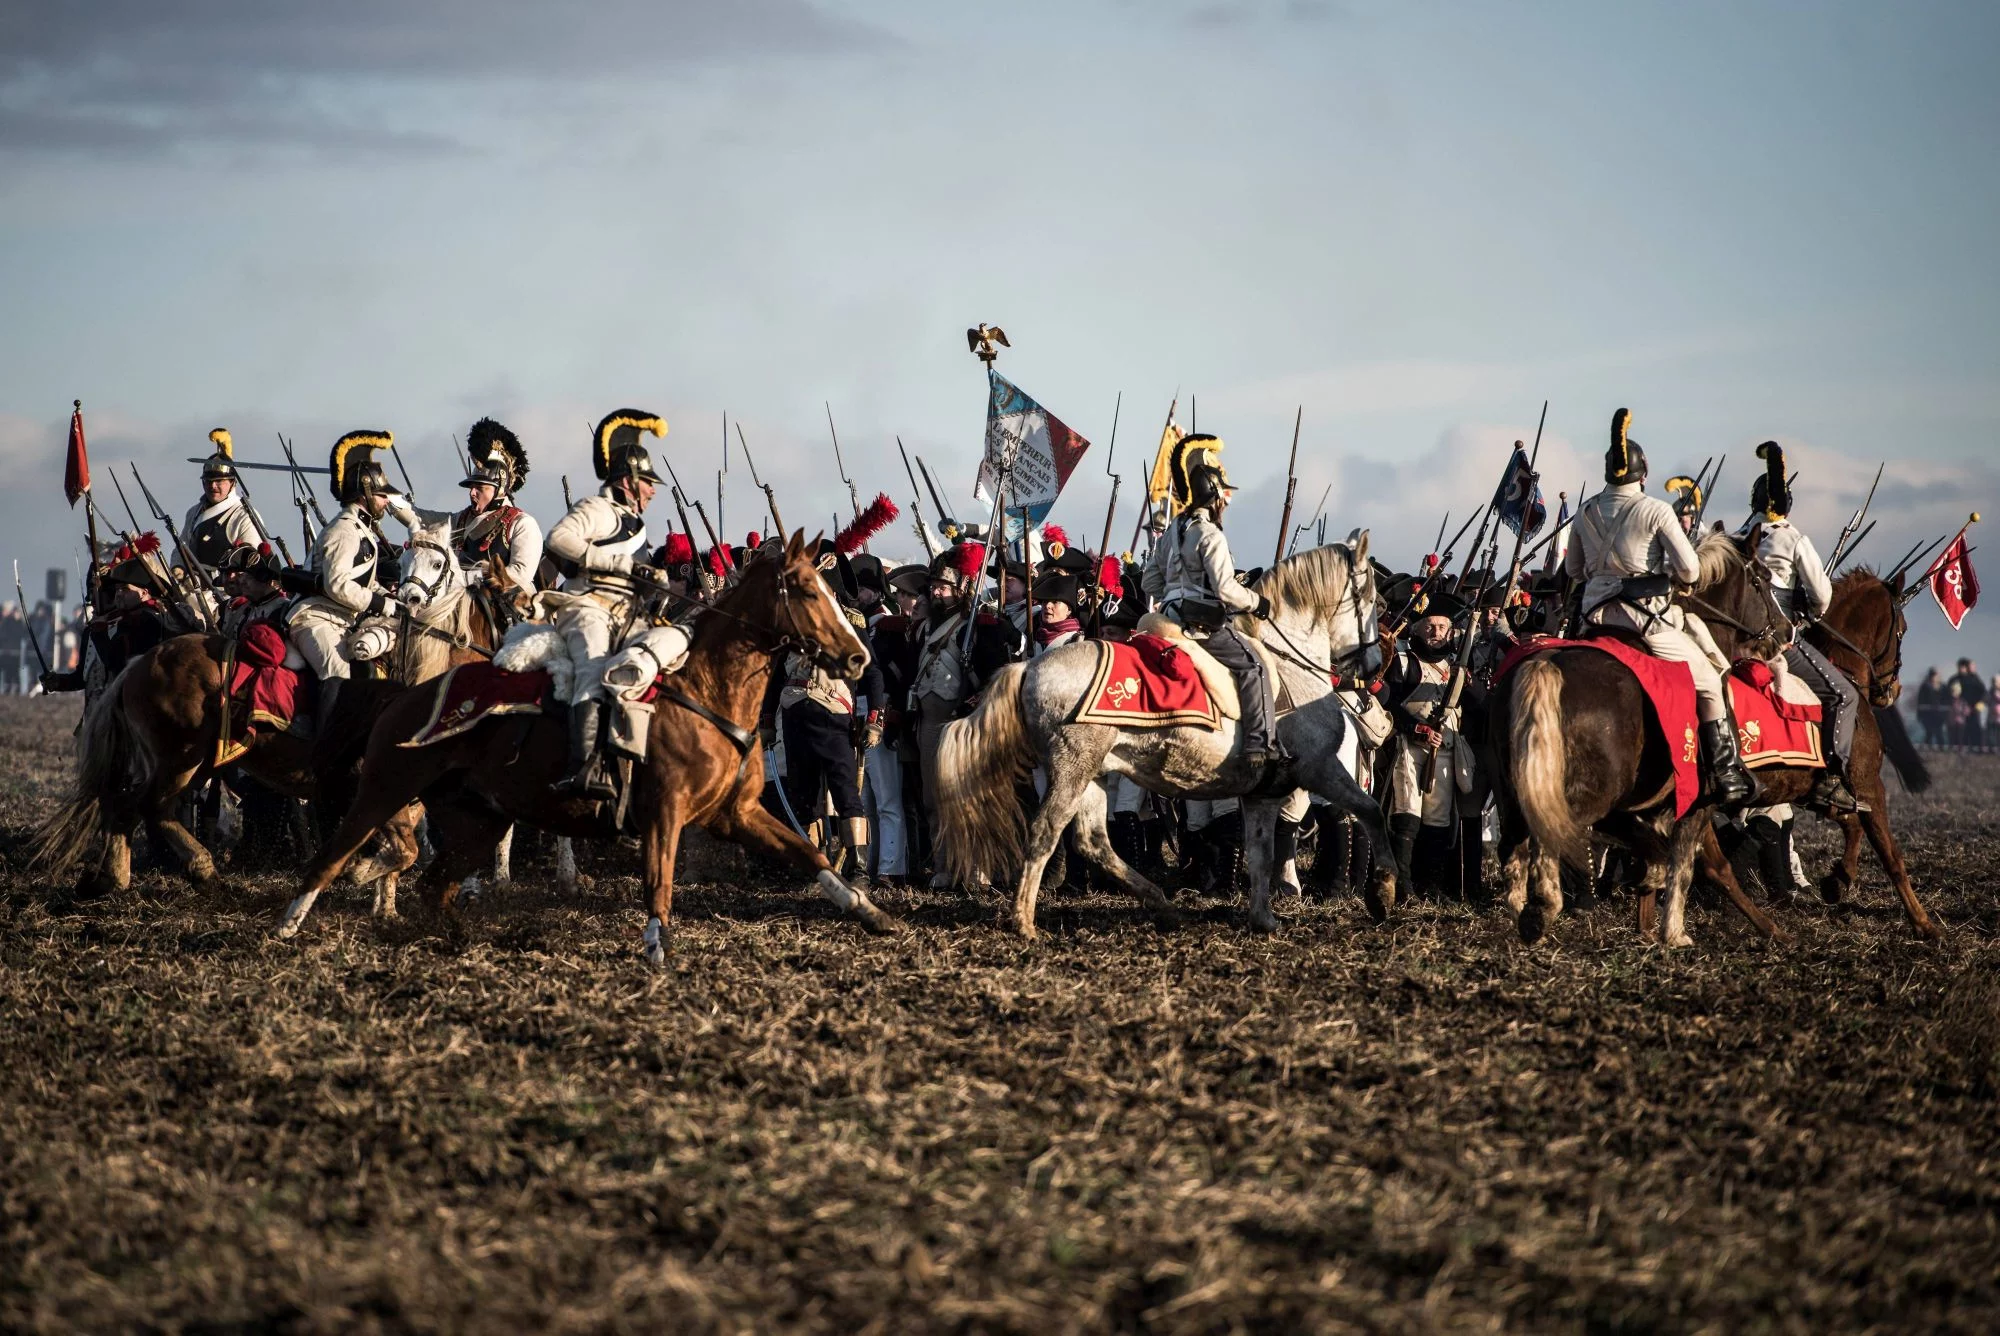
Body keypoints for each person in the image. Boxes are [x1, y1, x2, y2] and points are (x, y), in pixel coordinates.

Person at [1563, 408, 1753, 805]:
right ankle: (1726, 775)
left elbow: (1574, 569)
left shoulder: (1585, 512)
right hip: (1645, 622)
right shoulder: (1657, 510)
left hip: (1594, 621)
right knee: (1711, 683)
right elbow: (1689, 569)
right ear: (1643, 473)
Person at [1140, 433, 1281, 773]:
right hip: (1201, 623)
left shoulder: (1172, 530)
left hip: (1169, 615)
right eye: (1224, 495)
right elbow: (1226, 590)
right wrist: (1258, 603)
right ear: (1213, 494)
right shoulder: (1210, 534)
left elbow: (1149, 581)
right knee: (1254, 665)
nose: (1226, 502)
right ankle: (1260, 745)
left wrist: (1174, 593)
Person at [543, 409, 666, 797]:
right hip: (587, 607)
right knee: (595, 668)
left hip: (626, 615)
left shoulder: (639, 526)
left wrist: (655, 583)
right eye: (648, 482)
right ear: (628, 480)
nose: (653, 490)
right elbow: (559, 538)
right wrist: (615, 561)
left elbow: (634, 577)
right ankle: (581, 768)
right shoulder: (596, 509)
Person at [1740, 442, 1861, 811]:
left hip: (1732, 641)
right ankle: (1832, 779)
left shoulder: (1735, 536)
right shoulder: (1793, 538)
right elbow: (1822, 597)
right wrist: (1807, 616)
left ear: (1754, 503)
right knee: (1844, 696)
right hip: (1774, 642)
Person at [285, 430, 408, 738]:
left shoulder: (362, 530)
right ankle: (323, 744)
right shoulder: (344, 530)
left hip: (339, 618)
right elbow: (338, 585)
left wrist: (396, 601)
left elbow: (364, 581)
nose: (385, 501)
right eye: (381, 495)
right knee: (336, 670)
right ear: (364, 493)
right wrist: (379, 603)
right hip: (314, 617)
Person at [1381, 590, 1484, 899]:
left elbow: (1480, 705)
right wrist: (1415, 728)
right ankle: (1404, 886)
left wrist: (1467, 681)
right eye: (1430, 626)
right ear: (1416, 629)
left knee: (1437, 821)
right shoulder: (1403, 662)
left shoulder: (1456, 668)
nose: (1436, 634)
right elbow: (1390, 702)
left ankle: (1432, 886)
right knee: (1407, 817)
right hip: (1408, 750)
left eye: (1442, 627)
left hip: (1446, 753)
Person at [453, 418, 544, 593]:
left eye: (479, 487)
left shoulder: (523, 524)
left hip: (509, 609)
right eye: (471, 487)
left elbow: (520, 574)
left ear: (499, 488)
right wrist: (389, 499)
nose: (472, 493)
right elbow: (421, 519)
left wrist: (465, 578)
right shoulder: (461, 519)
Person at [178, 430, 268, 581]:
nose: (213, 486)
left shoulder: (245, 515)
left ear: (232, 483)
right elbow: (182, 547)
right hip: (193, 584)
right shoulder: (194, 512)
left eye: (219, 481)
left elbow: (250, 559)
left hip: (229, 587)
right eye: (208, 481)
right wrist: (178, 568)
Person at [1948, 658, 1985, 747]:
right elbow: (1949, 693)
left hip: (1973, 709)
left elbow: (1983, 693)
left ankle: (1976, 747)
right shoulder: (1954, 679)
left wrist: (1980, 705)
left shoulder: (1974, 679)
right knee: (1959, 730)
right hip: (1959, 711)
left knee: (1974, 729)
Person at [1915, 667, 1945, 746]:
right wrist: (1920, 714)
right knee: (1929, 732)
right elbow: (1920, 701)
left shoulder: (1943, 687)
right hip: (1927, 715)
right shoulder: (1925, 687)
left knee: (1939, 732)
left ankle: (1941, 748)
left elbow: (1946, 700)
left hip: (1939, 715)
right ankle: (1928, 747)